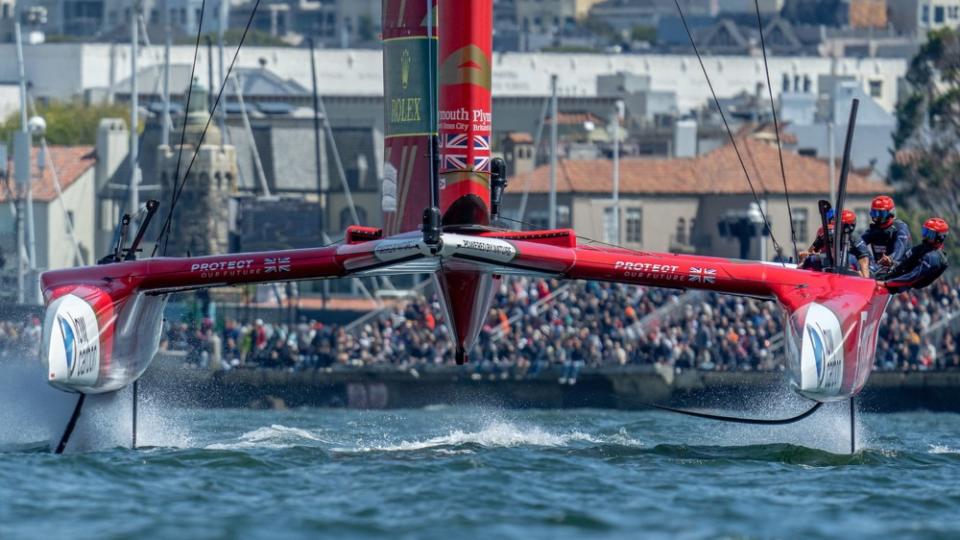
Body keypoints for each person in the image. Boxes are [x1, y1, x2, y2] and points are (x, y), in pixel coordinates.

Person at [881, 217, 949, 293]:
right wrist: (891, 262)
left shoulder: (933, 258)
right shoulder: (921, 248)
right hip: (896, 280)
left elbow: (912, 277)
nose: (925, 236)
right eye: (925, 231)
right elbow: (904, 261)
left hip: (906, 288)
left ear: (940, 237)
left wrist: (886, 283)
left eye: (929, 234)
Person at [798, 209, 871, 277]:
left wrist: (865, 279)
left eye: (839, 224)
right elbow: (811, 251)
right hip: (828, 264)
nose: (835, 227)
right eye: (835, 223)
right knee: (810, 261)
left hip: (849, 267)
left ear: (849, 227)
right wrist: (805, 257)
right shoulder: (826, 234)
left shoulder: (856, 240)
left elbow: (864, 261)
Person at [861, 195, 912, 272]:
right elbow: (859, 243)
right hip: (879, 270)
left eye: (881, 214)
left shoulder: (901, 228)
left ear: (891, 213)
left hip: (900, 271)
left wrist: (890, 259)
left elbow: (899, 249)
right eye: (875, 213)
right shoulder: (874, 230)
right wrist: (870, 262)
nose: (877, 217)